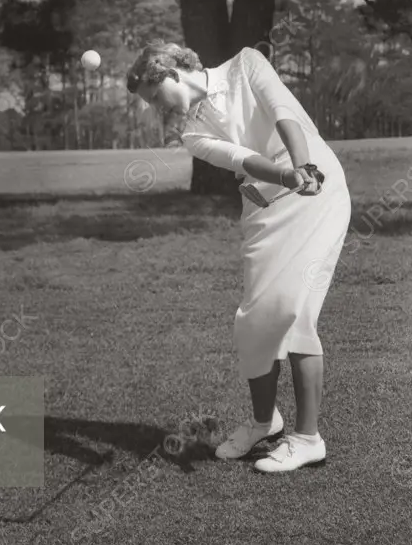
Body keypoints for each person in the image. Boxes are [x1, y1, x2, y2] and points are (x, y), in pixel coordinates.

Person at [126, 41, 351, 473]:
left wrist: (302, 167)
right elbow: (243, 157)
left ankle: (307, 439)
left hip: (315, 186)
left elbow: (283, 111)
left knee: (294, 310)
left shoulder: (246, 63)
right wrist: (287, 175)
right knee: (253, 321)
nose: (157, 108)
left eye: (154, 97)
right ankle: (264, 423)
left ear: (168, 71)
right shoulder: (191, 134)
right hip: (267, 200)